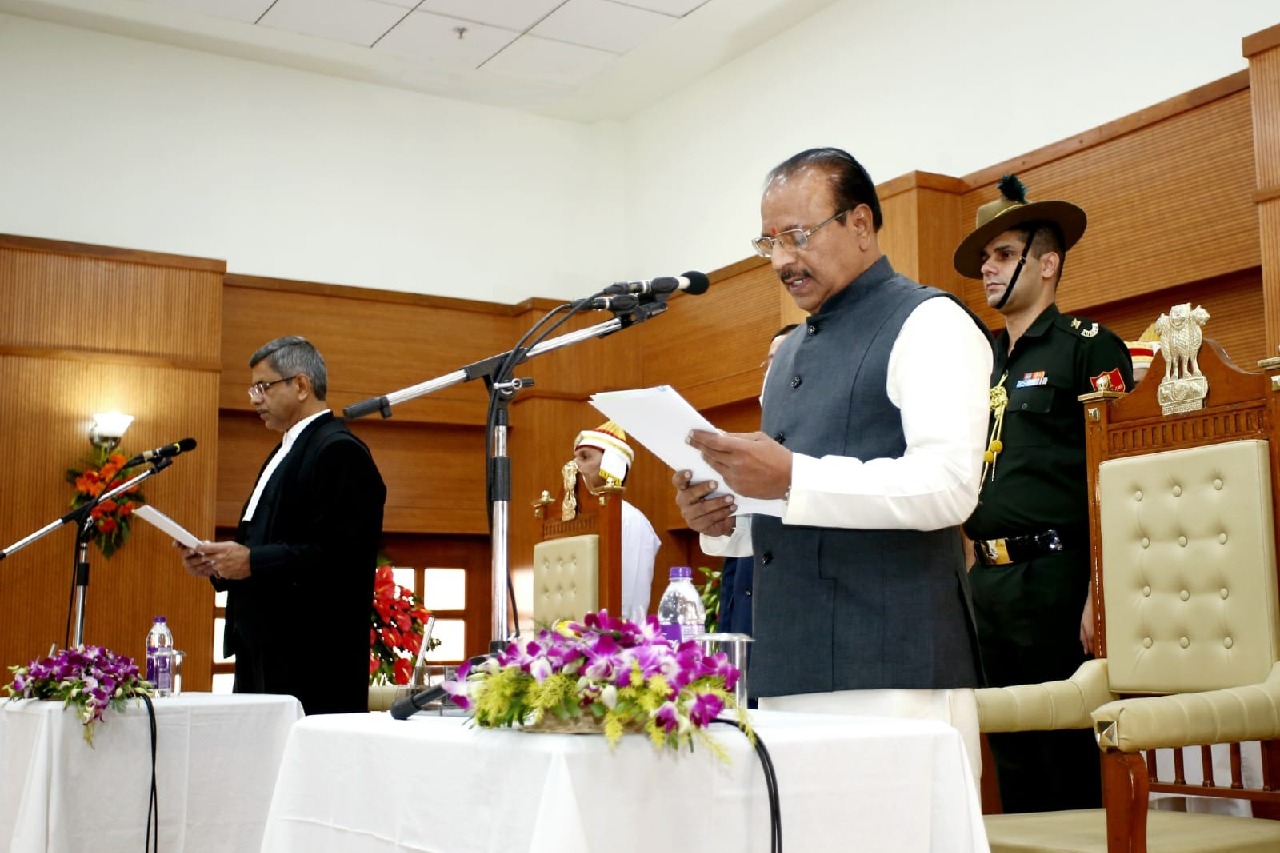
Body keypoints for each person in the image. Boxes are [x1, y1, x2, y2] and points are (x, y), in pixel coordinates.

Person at [673, 147, 993, 780]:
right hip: (789, 660)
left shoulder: (929, 321)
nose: (783, 260)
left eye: (798, 236)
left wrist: (791, 475)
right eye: (769, 242)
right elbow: (788, 504)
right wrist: (724, 517)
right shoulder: (789, 351)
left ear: (862, 224)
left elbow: (950, 488)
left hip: (893, 665)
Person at [954, 175, 1133, 812]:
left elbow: (1119, 474)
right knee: (1011, 748)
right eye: (985, 259)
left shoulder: (1088, 348)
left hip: (1060, 578)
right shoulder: (978, 361)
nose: (990, 269)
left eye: (1004, 254)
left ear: (1047, 263)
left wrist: (1100, 587)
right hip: (989, 582)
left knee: (1070, 753)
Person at [179, 336, 386, 715]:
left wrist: (252, 562)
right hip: (261, 649)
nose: (254, 398)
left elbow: (341, 558)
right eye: (252, 388)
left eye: (264, 387)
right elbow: (262, 542)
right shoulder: (283, 451)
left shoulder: (339, 451)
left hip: (310, 660)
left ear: (302, 385)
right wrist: (220, 564)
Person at [718, 323, 797, 638]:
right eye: (769, 361)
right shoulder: (751, 449)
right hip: (744, 629)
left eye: (785, 358)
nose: (772, 372)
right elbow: (734, 568)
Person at [572, 421, 660, 619]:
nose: (574, 465)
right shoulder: (570, 517)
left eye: (585, 457)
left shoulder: (628, 519)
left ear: (611, 464)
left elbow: (628, 599)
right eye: (575, 458)